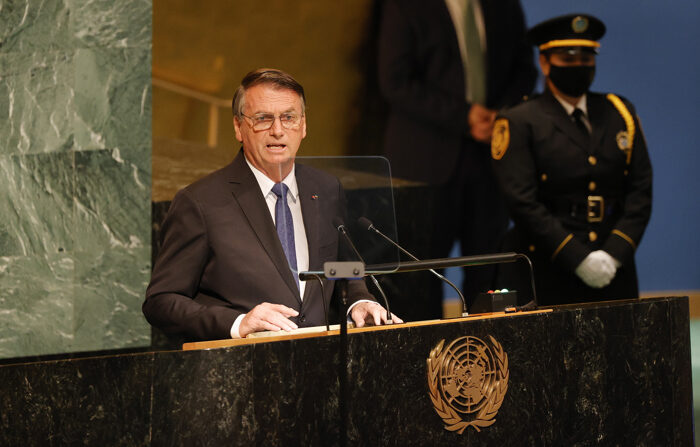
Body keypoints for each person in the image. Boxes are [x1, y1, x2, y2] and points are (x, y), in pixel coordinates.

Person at [143, 68, 401, 341]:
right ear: (238, 127)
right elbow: (161, 301)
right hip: (241, 369)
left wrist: (358, 300)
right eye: (263, 119)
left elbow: (343, 267)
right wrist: (238, 323)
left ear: (303, 126)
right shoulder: (200, 202)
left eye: (288, 118)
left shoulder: (326, 189)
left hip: (321, 366)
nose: (277, 130)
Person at [377, 0, 537, 318]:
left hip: (490, 163)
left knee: (490, 278)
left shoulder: (505, 7)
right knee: (419, 279)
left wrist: (499, 115)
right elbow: (394, 81)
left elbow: (525, 69)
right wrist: (464, 117)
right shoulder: (404, 6)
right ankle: (422, 363)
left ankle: (488, 363)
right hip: (423, 165)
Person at [491, 14, 653, 306]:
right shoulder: (518, 120)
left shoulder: (620, 112)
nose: (579, 66)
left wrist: (614, 253)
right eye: (568, 59)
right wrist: (577, 257)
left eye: (586, 58)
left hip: (613, 266)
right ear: (544, 63)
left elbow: (641, 189)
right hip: (548, 266)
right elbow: (522, 201)